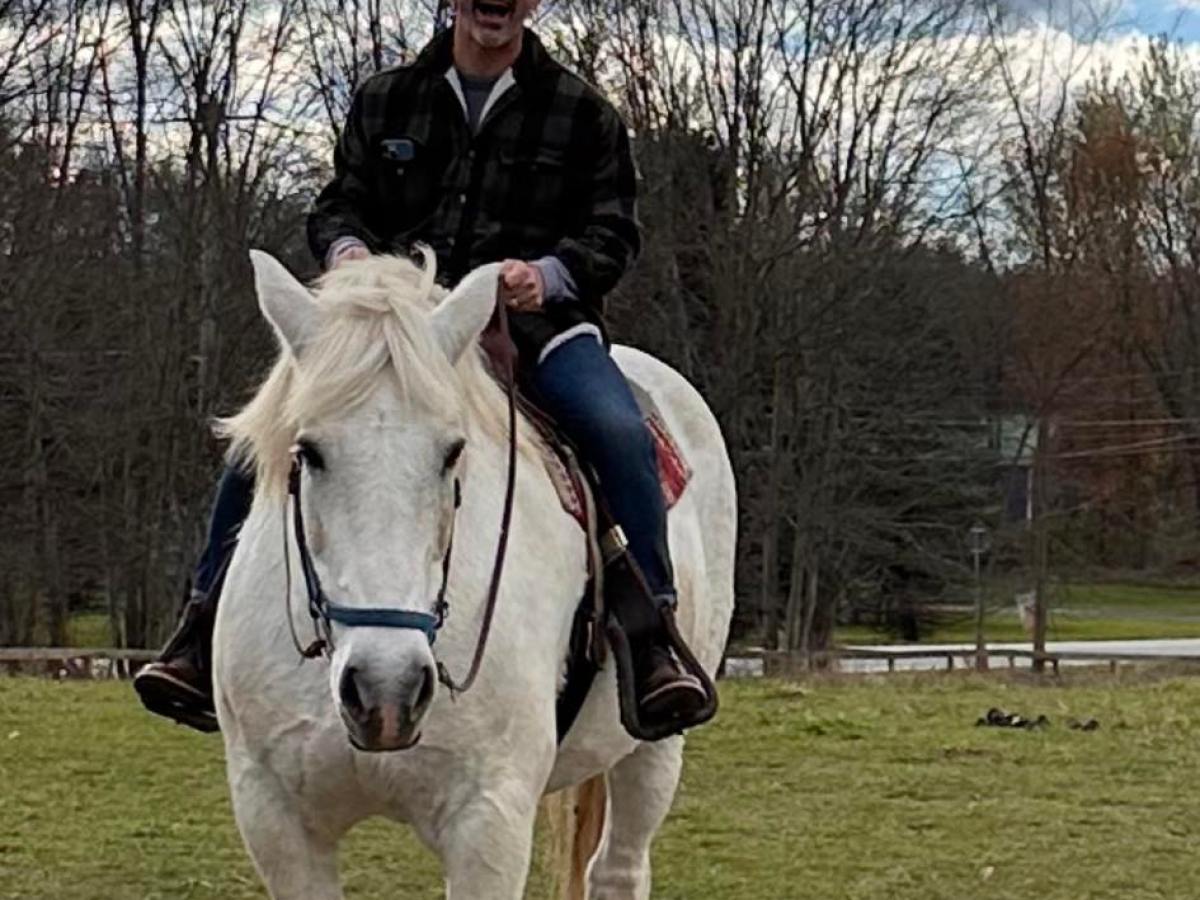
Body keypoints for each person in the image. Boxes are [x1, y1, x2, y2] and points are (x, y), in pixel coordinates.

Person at [134, 0, 705, 734]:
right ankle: (200, 625)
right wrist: (346, 254)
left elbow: (614, 232)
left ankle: (654, 636)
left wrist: (549, 273)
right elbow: (341, 203)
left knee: (616, 429)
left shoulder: (582, 111)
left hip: (533, 329)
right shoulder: (386, 98)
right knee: (263, 442)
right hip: (395, 336)